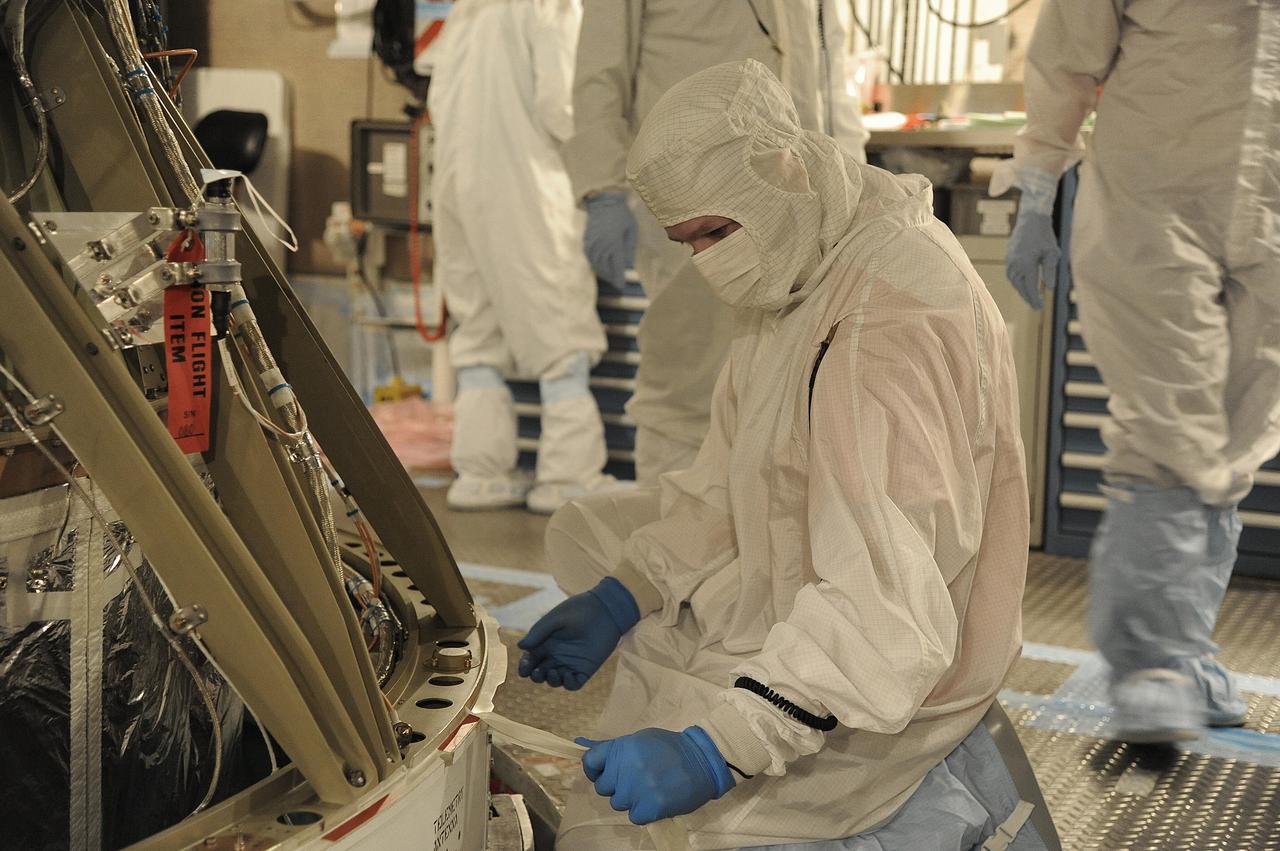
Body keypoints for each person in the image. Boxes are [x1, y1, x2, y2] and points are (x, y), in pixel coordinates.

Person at [518, 60, 1044, 849]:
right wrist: (627, 593)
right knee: (628, 736)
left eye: (713, 232)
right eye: (685, 241)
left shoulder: (886, 316)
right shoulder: (799, 271)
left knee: (645, 829)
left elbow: (888, 607)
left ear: (783, 170)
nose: (705, 260)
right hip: (803, 626)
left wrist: (718, 746)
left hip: (887, 695)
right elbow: (732, 484)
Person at [997, 0, 1278, 741]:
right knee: (1168, 432)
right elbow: (1066, 57)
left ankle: (1187, 651)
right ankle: (1150, 661)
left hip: (1274, 216)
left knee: (1234, 445)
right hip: (1154, 209)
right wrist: (1036, 190)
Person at [566, 0, 869, 484]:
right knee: (687, 384)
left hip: (800, 194)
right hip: (696, 200)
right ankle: (675, 541)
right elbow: (598, 72)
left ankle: (766, 546)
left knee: (797, 383)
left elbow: (830, 70)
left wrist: (853, 175)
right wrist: (602, 188)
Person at [428, 0, 616, 514]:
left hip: (457, 183)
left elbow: (439, 101)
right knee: (559, 326)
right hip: (525, 182)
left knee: (478, 328)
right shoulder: (549, 5)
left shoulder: (469, 12)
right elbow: (562, 105)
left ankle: (480, 473)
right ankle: (568, 475)